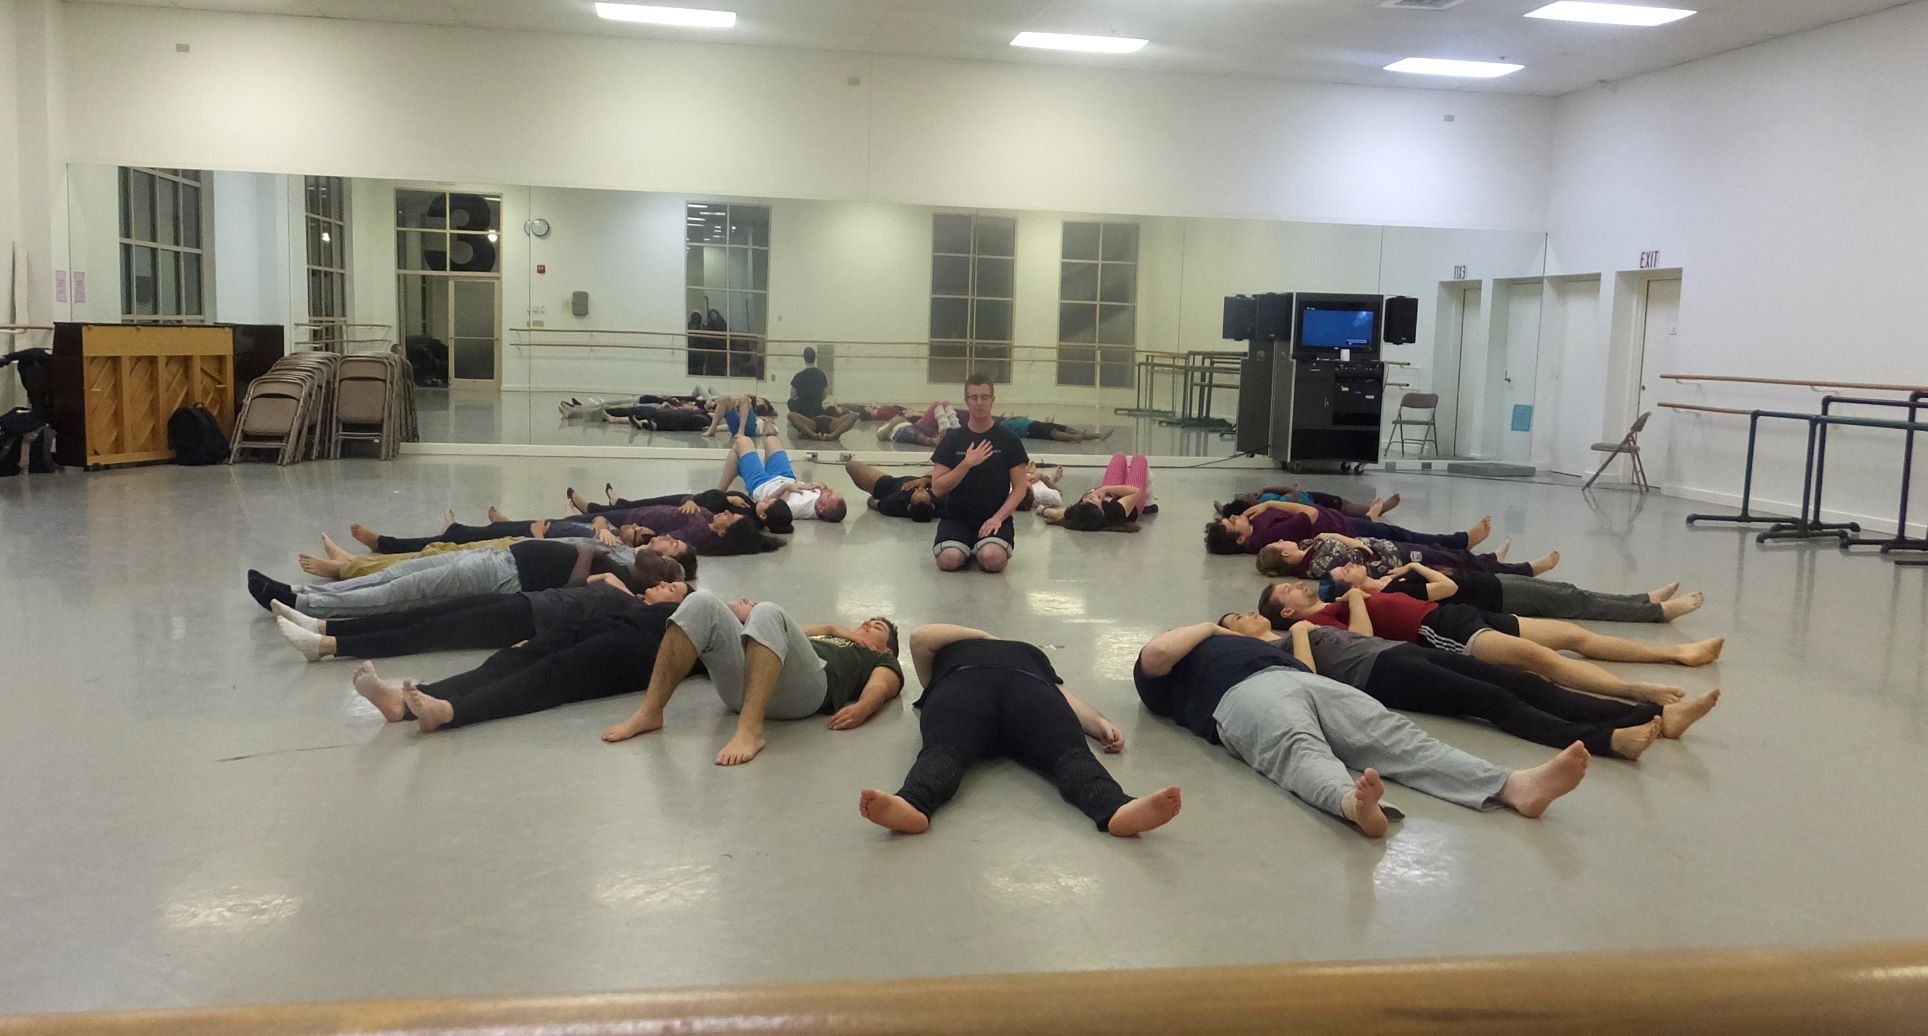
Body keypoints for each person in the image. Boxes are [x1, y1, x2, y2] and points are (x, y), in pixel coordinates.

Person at [1134, 621, 1591, 837]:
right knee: (1297, 748)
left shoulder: (1262, 647)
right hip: (1241, 697)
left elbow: (1308, 665)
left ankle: (1512, 785)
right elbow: (1156, 654)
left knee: (1399, 736)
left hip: (1305, 681)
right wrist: (1211, 627)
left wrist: (1288, 641)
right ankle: (1351, 804)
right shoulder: (1174, 668)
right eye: (1233, 619)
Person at [1215, 610, 1721, 759]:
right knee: (1492, 700)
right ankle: (1608, 740)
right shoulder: (1281, 648)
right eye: (1236, 618)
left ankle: (1656, 717)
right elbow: (1308, 681)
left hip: (1397, 652)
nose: (1246, 615)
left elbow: (1362, 634)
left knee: (1520, 680)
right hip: (1383, 676)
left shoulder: (1308, 627)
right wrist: (1301, 634)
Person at [857, 623, 1183, 837]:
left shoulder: (1034, 657)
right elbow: (920, 637)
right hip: (966, 682)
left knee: (1070, 755)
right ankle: (912, 803)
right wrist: (985, 638)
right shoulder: (948, 649)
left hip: (1028, 689)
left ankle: (1116, 808)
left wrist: (1098, 723)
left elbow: (1060, 692)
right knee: (943, 750)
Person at [1259, 583, 1723, 704]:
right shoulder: (1318, 623)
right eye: (1287, 592)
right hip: (1440, 633)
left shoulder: (1335, 598)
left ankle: (1674, 652)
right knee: (1541, 660)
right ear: (1287, 613)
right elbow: (1364, 639)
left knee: (1571, 634)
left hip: (1455, 613)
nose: (1297, 587)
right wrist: (1359, 598)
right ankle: (1633, 690)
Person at [600, 591, 903, 765]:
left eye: (876, 627)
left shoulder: (879, 658)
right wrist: (835, 628)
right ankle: (651, 711)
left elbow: (882, 685)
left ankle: (750, 730)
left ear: (887, 647)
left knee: (768, 610)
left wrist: (864, 707)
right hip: (746, 686)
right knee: (700, 601)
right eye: (866, 620)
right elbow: (789, 630)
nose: (867, 624)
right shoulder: (832, 635)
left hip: (807, 692)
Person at [351, 598, 688, 733]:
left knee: (551, 672)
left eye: (671, 585)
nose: (661, 586)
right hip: (605, 627)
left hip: (639, 648)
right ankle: (403, 704)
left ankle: (450, 712)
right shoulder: (640, 603)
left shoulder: (704, 615)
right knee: (512, 659)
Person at [268, 560, 690, 662]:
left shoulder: (635, 616)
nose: (661, 585)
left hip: (525, 621)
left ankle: (328, 646)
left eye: (670, 589)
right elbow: (577, 587)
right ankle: (323, 623)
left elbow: (586, 633)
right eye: (666, 582)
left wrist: (535, 646)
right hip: (527, 600)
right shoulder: (627, 595)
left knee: (428, 632)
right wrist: (605, 579)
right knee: (426, 613)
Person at [246, 538, 642, 619]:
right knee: (395, 573)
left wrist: (587, 553)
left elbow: (569, 592)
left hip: (504, 575)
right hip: (499, 556)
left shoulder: (619, 580)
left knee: (399, 592)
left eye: (666, 559)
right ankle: (299, 590)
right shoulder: (622, 554)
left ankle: (305, 605)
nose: (660, 548)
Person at [1324, 562, 1707, 623]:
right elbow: (1448, 588)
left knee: (1571, 591)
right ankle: (1657, 612)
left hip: (1493, 582)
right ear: (1351, 586)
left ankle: (1643, 599)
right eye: (1346, 570)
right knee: (1576, 604)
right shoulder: (1395, 588)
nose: (1352, 564)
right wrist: (1415, 568)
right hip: (1499, 598)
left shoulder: (1390, 578)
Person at [929, 374, 1030, 573]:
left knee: (993, 559)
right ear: (966, 401)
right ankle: (965, 547)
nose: (979, 402)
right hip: (957, 518)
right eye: (974, 397)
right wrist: (966, 463)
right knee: (948, 560)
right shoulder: (952, 440)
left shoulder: (1009, 441)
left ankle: (983, 546)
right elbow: (938, 488)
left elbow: (1019, 489)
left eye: (984, 397)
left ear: (993, 400)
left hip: (994, 517)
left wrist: (998, 518)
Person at [1205, 498, 1494, 557]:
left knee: (1390, 531)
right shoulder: (1267, 536)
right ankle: (1460, 542)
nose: (1237, 516)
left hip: (1339, 520)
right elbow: (1309, 514)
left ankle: (1372, 513)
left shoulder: (1255, 525)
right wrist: (1270, 504)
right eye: (1233, 522)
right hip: (1346, 531)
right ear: (1240, 539)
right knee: (1402, 537)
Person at [717, 401, 848, 523]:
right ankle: (739, 468)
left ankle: (719, 494)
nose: (829, 491)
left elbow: (767, 503)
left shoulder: (796, 508)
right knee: (772, 440)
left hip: (762, 485)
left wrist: (786, 488)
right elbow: (823, 488)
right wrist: (820, 485)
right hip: (785, 476)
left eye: (829, 495)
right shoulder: (820, 502)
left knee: (742, 441)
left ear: (820, 508)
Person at [1257, 533, 1551, 580]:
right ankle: (1525, 569)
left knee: (1449, 553)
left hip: (1391, 547)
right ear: (1285, 553)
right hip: (1397, 560)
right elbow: (1360, 552)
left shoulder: (1309, 545)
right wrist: (1333, 535)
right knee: (1457, 564)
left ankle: (1491, 558)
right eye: (1280, 542)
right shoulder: (1318, 564)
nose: (1284, 539)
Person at [1041, 453, 1151, 532]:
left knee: (1119, 457)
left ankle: (1124, 474)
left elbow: (1058, 514)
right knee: (1139, 458)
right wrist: (1105, 489)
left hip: (1109, 491)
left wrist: (1043, 510)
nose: (1090, 495)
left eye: (1086, 499)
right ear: (1101, 510)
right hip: (1131, 499)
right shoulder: (1114, 511)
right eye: (1095, 499)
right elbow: (1135, 492)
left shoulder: (1079, 510)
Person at [786, 347, 859, 441]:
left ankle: (813, 435)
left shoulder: (798, 376)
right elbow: (824, 395)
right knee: (853, 415)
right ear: (815, 358)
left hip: (809, 419)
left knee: (790, 406)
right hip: (818, 416)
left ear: (804, 358)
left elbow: (792, 396)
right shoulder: (821, 375)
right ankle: (831, 435)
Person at [1217, 486, 1397, 520]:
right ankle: (1376, 510)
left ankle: (1373, 510)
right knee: (1347, 507)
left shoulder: (1260, 500)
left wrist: (1264, 489)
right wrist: (1267, 491)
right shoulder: (1271, 503)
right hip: (1312, 501)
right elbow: (1293, 492)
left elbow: (1225, 509)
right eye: (1247, 497)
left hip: (1309, 502)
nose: (1249, 494)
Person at [844, 459, 938, 522]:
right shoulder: (942, 502)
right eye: (925, 491)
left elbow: (872, 502)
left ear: (909, 506)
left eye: (916, 491)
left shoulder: (893, 504)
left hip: (890, 486)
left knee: (851, 465)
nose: (920, 488)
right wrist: (925, 480)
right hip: (931, 480)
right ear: (933, 505)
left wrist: (874, 493)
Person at [999, 415, 1111, 443]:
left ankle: (1098, 435)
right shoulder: (1002, 427)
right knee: (1054, 433)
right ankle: (1074, 438)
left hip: (1036, 423)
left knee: (1067, 429)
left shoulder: (1008, 420)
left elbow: (1021, 417)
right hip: (1030, 429)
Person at [875, 414, 940, 448]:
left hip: (911, 425)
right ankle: (933, 441)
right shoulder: (882, 428)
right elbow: (880, 435)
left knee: (927, 431)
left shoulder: (894, 420)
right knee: (913, 434)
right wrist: (893, 422)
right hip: (899, 430)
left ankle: (940, 437)